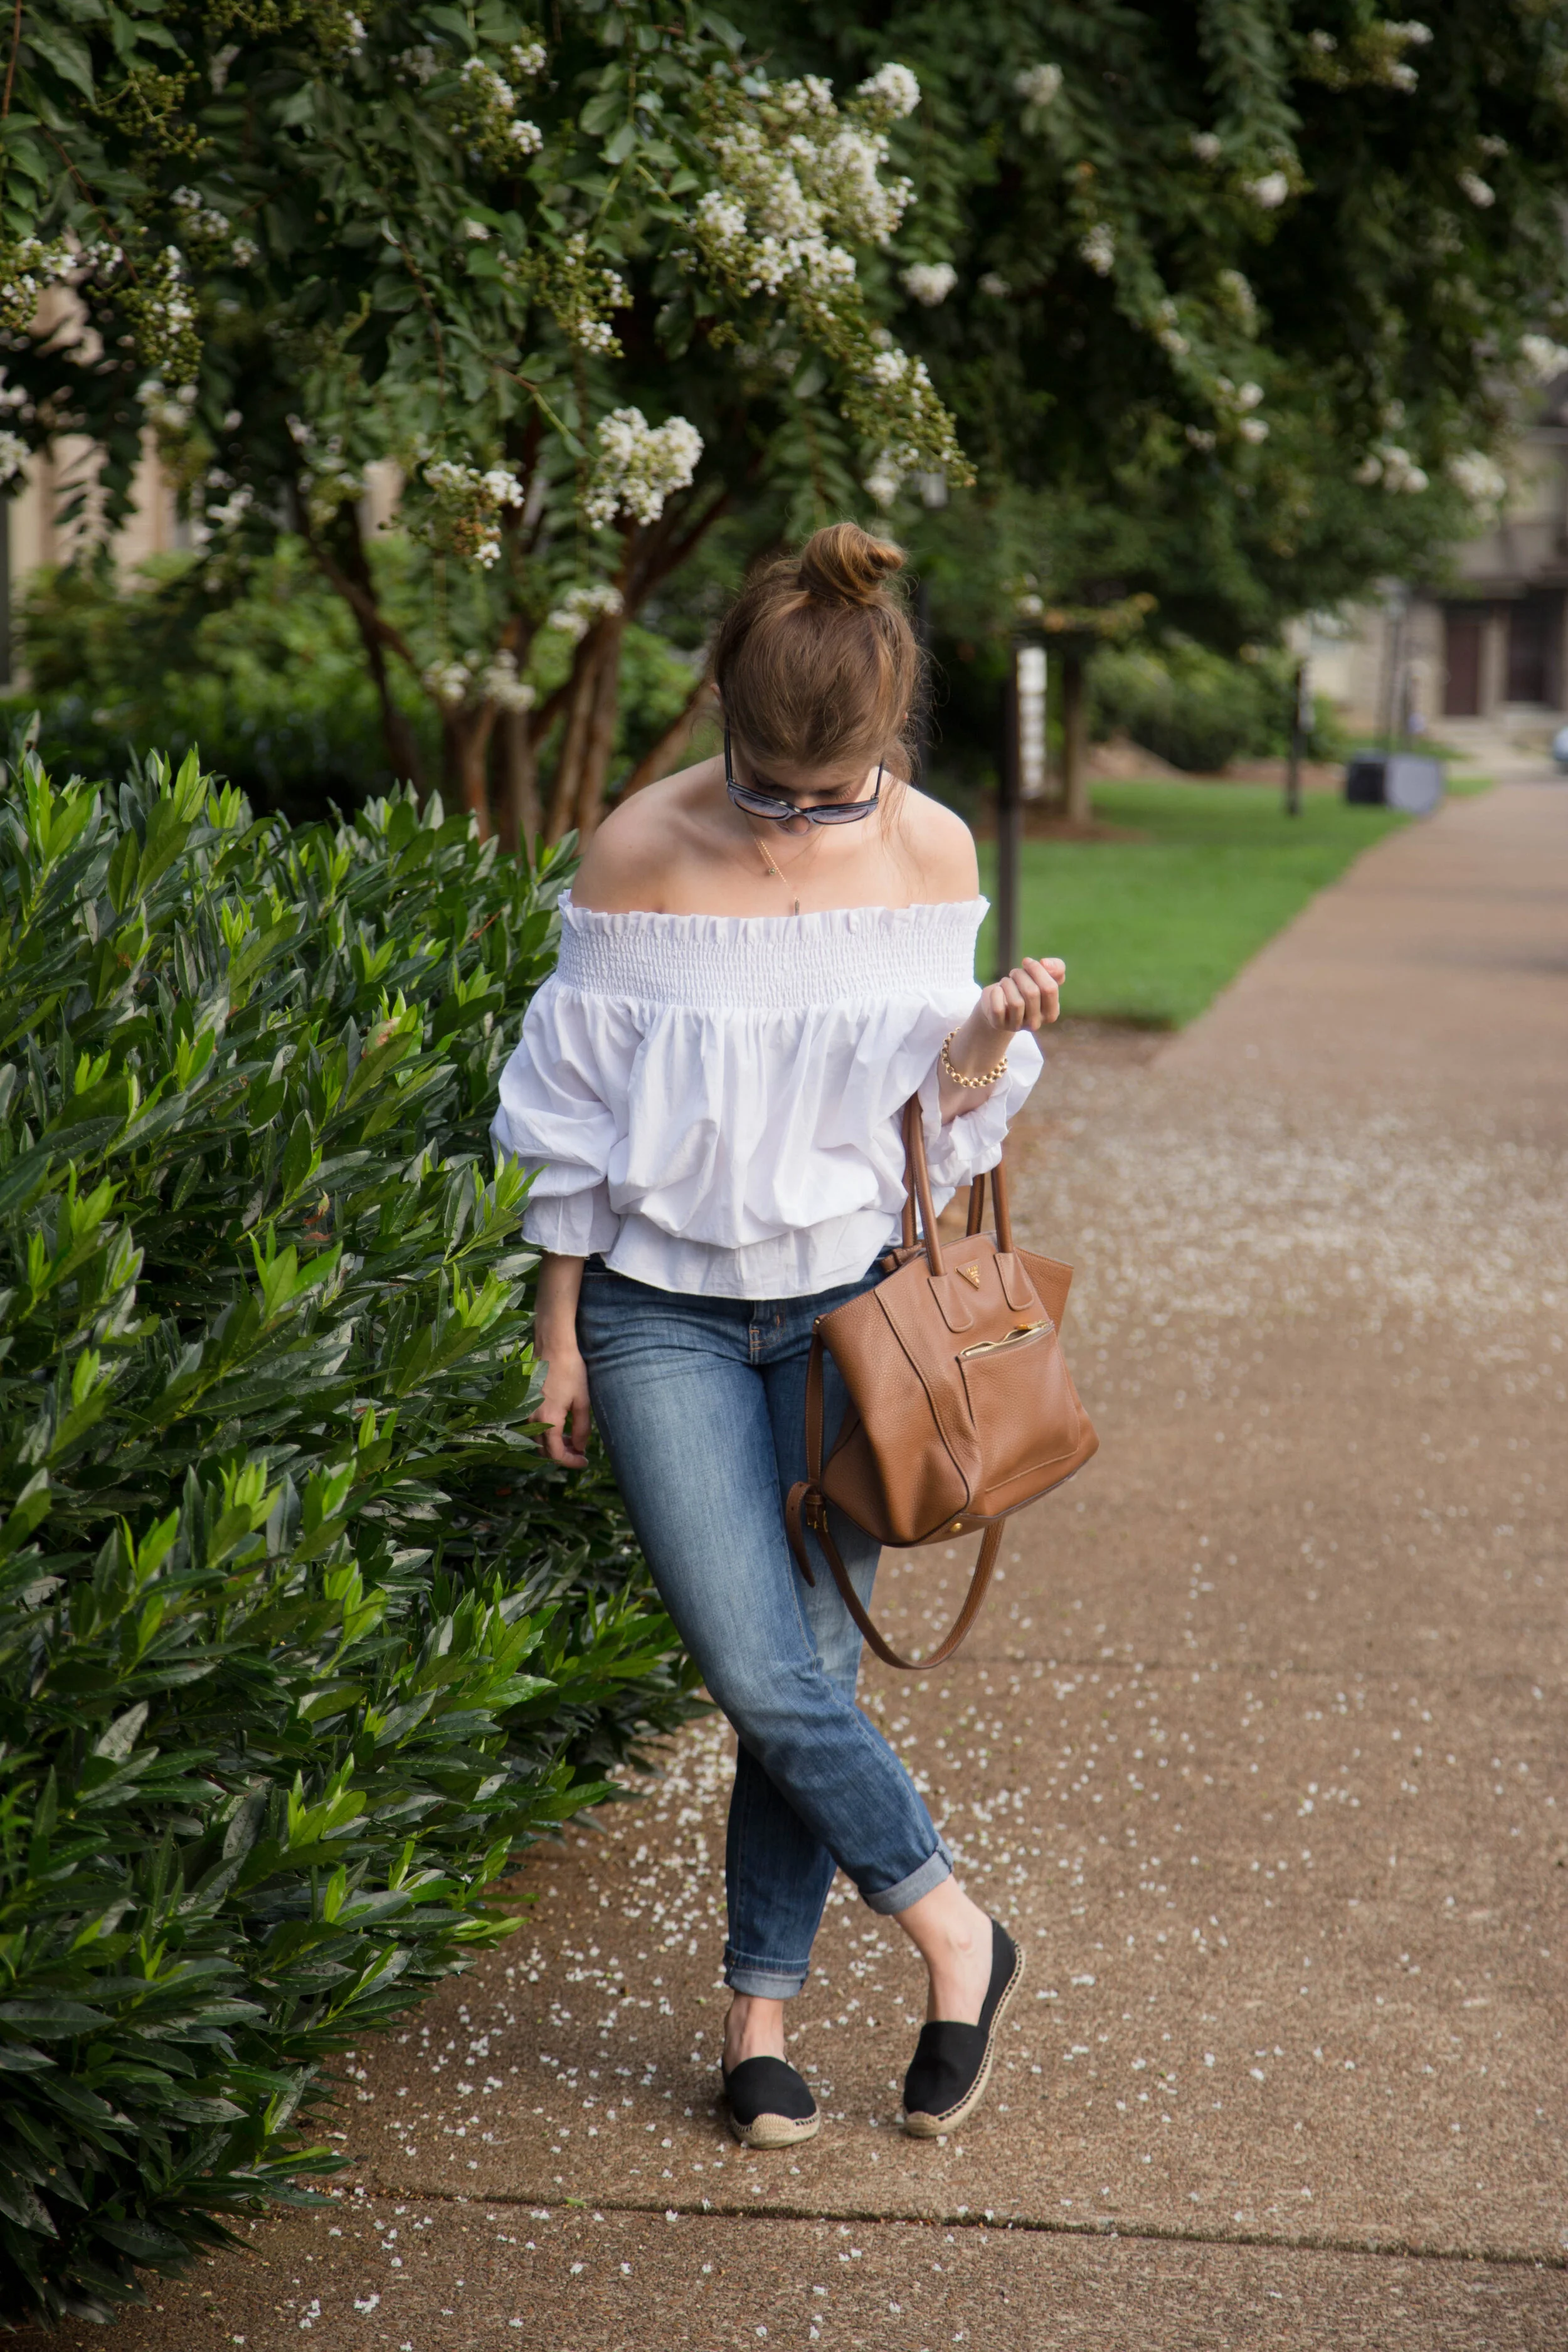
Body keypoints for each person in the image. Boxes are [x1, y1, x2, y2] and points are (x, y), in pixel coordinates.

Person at [492, 522, 1062, 2150]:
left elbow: (921, 1119)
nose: (801, 822)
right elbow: (569, 1126)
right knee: (751, 1659)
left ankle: (759, 2017)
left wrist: (976, 1039)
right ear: (724, 717)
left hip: (846, 1308)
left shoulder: (931, 848)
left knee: (803, 1673)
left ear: (889, 744)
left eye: (837, 794)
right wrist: (557, 1335)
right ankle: (954, 1923)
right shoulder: (633, 851)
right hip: (656, 1311)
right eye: (769, 786)